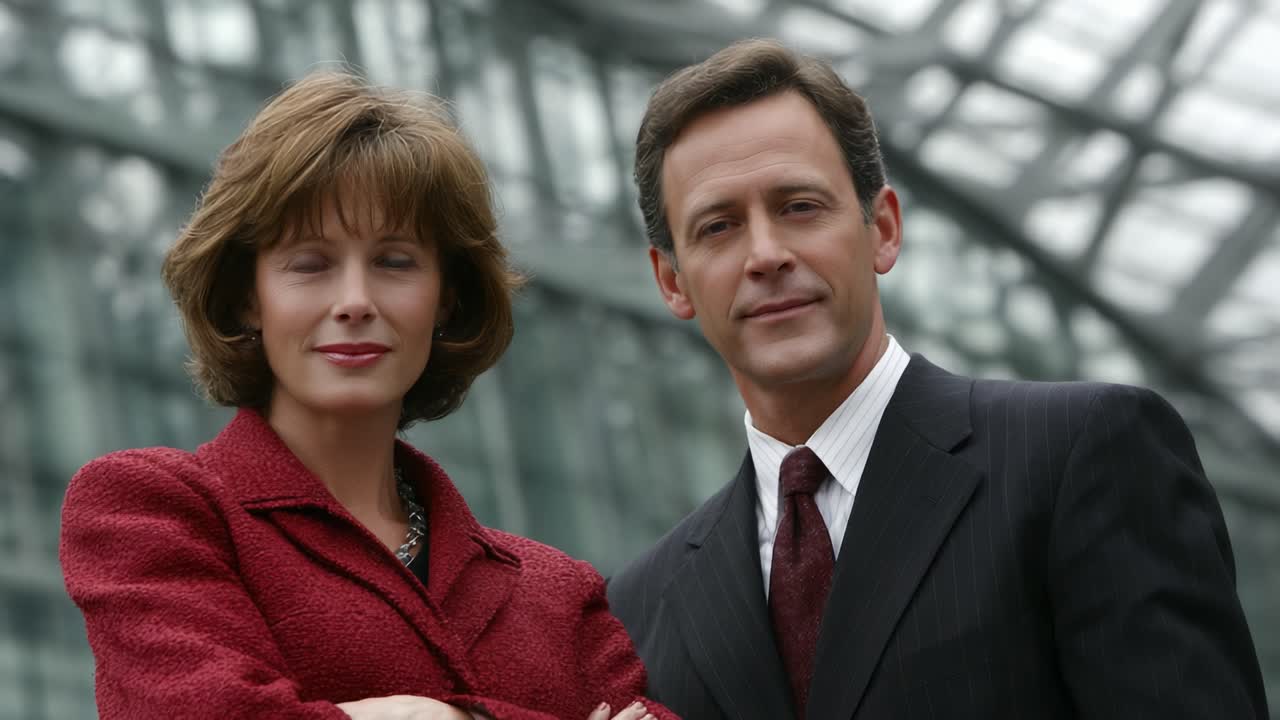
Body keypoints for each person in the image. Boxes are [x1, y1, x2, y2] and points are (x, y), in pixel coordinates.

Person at [606, 38, 1268, 720]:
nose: (766, 254)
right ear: (671, 281)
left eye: (799, 206)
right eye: (718, 227)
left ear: (883, 230)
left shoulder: (1082, 456)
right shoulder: (640, 607)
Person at [60, 70, 673, 720]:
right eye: (310, 264)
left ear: (447, 298)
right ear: (248, 296)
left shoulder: (558, 593)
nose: (355, 302)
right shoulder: (154, 510)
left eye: (395, 262)